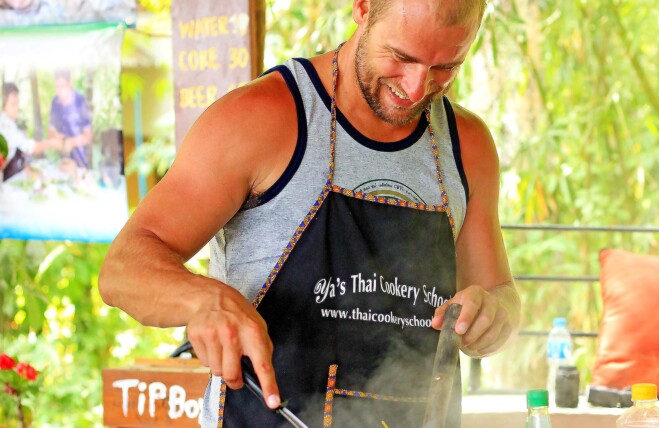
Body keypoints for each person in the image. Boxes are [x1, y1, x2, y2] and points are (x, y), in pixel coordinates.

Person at [99, 0, 521, 426]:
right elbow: (122, 269)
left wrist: (495, 315)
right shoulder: (260, 117)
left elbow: (499, 291)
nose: (416, 88)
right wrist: (204, 299)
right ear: (362, 8)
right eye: (401, 57)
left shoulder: (468, 146)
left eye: (445, 67)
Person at [0, 82, 60, 180]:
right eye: (13, 104)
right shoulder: (5, 125)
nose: (17, 108)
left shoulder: (8, 122)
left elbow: (18, 151)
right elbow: (30, 147)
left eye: (18, 103)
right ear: (3, 104)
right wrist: (52, 143)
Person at [48, 69, 92, 169]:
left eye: (62, 86)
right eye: (57, 87)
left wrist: (71, 142)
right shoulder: (55, 103)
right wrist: (56, 137)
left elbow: (88, 136)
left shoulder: (81, 101)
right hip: (62, 161)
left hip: (81, 161)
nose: (59, 91)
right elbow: (50, 132)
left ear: (70, 84)